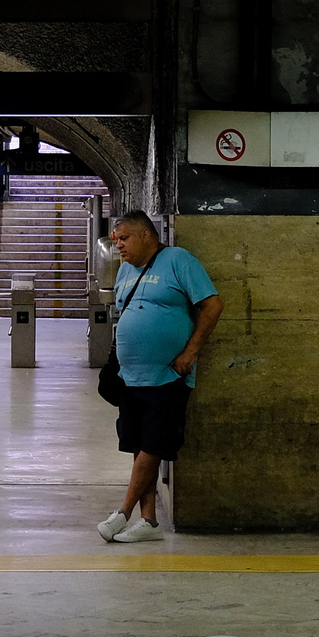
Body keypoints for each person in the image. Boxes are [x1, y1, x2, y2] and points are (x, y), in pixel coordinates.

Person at [97, 210, 223, 544]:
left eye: (124, 238)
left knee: (153, 446)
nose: (119, 246)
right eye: (116, 240)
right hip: (130, 376)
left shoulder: (178, 260)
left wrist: (190, 352)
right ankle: (149, 521)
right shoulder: (125, 270)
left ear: (145, 235)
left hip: (167, 374)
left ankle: (123, 512)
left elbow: (213, 305)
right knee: (140, 446)